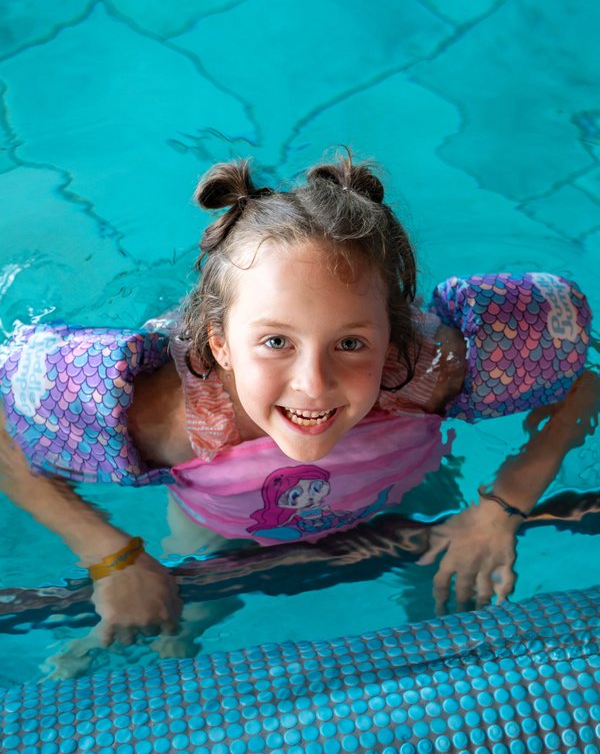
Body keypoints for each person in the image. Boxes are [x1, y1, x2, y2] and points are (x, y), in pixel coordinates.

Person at [0, 153, 597, 647]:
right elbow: (6, 435)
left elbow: (584, 377)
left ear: (394, 337)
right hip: (220, 528)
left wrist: (500, 508)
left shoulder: (428, 369)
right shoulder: (171, 418)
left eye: (352, 343)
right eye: (276, 341)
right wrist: (115, 558)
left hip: (405, 490)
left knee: (451, 618)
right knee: (172, 627)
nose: (313, 383)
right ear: (222, 345)